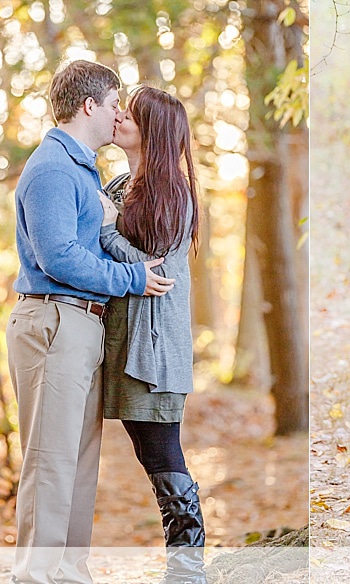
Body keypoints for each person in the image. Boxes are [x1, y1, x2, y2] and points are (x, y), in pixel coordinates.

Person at [7, 60, 175, 584]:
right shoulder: (54, 167)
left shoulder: (79, 167)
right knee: (50, 461)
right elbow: (57, 257)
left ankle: (68, 571)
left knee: (78, 462)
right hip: (54, 320)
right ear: (89, 106)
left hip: (79, 324)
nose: (117, 114)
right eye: (112, 104)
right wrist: (132, 276)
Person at [97, 86, 204, 584]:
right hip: (125, 338)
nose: (118, 117)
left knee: (161, 453)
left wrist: (104, 228)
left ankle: (187, 568)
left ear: (153, 133)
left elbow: (153, 269)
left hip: (155, 346)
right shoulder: (123, 182)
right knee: (150, 452)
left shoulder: (173, 193)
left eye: (130, 115)